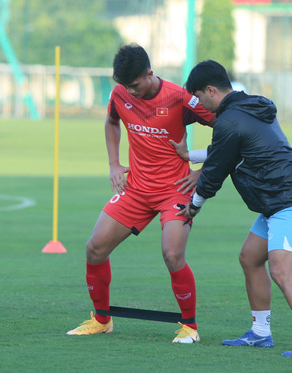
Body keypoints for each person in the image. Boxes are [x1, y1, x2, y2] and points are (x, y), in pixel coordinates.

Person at [175, 60, 292, 357]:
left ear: (210, 90)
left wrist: (194, 205)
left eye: (199, 96)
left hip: (290, 200)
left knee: (283, 271)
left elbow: (217, 168)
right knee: (249, 258)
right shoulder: (248, 108)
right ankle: (260, 333)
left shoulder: (229, 120)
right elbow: (231, 146)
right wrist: (189, 154)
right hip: (277, 200)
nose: (199, 104)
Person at [66, 43, 215, 343]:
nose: (130, 92)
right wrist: (113, 164)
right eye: (124, 86)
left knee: (172, 254)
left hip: (175, 190)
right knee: (94, 249)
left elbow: (228, 128)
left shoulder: (180, 98)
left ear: (149, 73)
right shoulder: (120, 94)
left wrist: (203, 170)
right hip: (135, 188)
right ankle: (101, 319)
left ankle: (190, 327)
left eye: (134, 85)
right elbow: (111, 122)